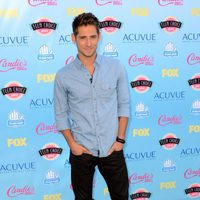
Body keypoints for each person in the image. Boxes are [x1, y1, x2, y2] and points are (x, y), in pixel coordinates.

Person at [54, 12, 130, 200]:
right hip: (82, 150)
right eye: (83, 38)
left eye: (93, 37)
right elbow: (61, 114)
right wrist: (73, 145)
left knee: (121, 196)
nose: (88, 43)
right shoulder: (63, 75)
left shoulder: (116, 67)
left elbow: (124, 105)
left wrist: (120, 141)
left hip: (112, 148)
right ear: (74, 38)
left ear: (99, 37)